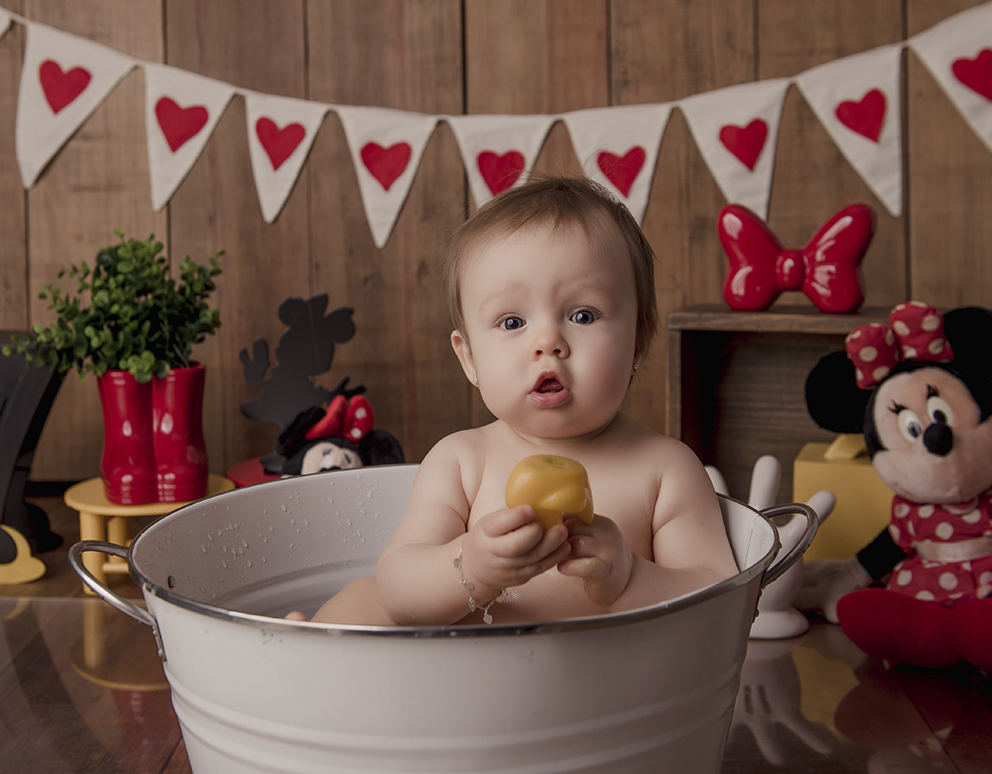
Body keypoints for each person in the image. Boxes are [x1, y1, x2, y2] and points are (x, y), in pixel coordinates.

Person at [298, 176, 737, 625]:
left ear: (638, 343)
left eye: (583, 315)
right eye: (512, 322)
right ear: (469, 358)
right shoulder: (462, 461)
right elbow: (399, 587)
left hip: (609, 667)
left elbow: (719, 603)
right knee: (364, 600)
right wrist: (471, 567)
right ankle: (301, 647)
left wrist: (629, 578)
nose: (547, 342)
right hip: (461, 665)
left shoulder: (666, 470)